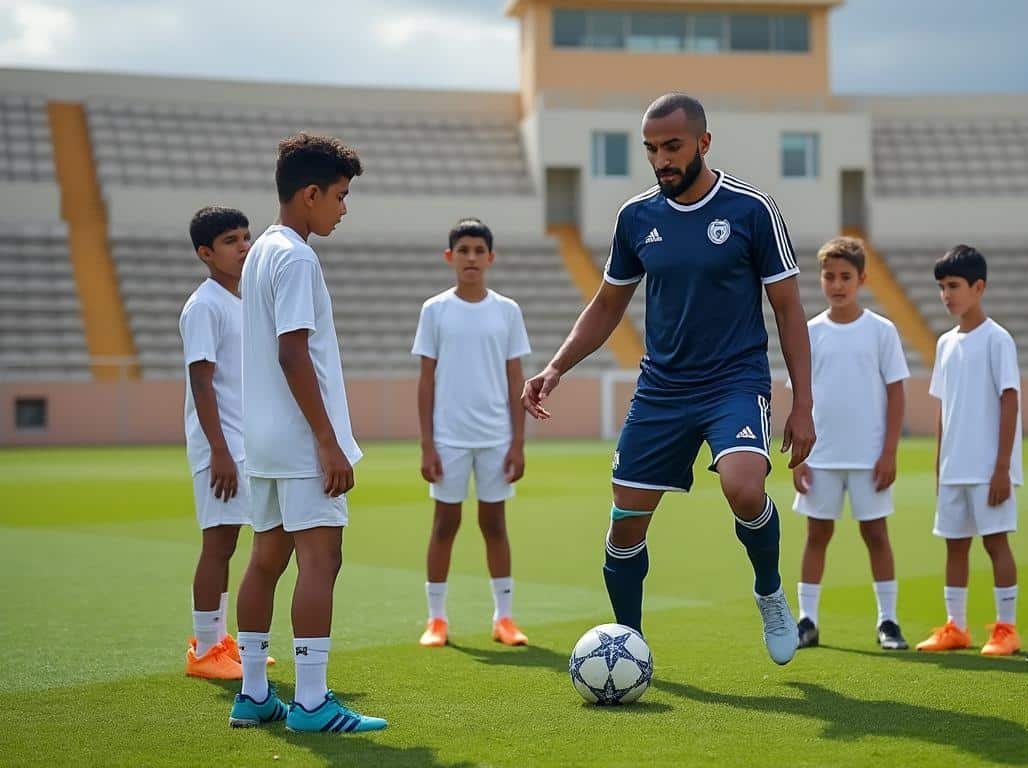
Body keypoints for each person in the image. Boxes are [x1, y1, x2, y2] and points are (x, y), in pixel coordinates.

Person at [522, 92, 815, 665]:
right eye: (651, 149)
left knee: (744, 486)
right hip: (662, 388)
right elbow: (607, 306)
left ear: (704, 143)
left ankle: (770, 592)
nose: (661, 160)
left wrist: (803, 402)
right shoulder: (636, 218)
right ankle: (626, 646)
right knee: (626, 519)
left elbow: (787, 308)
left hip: (736, 380)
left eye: (673, 147)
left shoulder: (753, 210)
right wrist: (556, 367)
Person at [229, 133, 386, 732]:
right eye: (340, 196)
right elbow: (293, 353)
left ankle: (253, 693)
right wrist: (328, 441)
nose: (344, 208)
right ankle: (313, 705)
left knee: (266, 559)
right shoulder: (296, 256)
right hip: (299, 442)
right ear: (310, 193)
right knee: (321, 560)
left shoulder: (261, 252)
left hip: (263, 441)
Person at [414, 218, 531, 649]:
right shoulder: (435, 310)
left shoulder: (507, 310)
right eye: (462, 250)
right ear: (450, 257)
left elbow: (515, 377)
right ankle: (437, 619)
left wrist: (518, 442)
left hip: (496, 437)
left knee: (494, 524)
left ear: (491, 258)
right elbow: (426, 380)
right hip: (449, 438)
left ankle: (504, 618)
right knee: (445, 523)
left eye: (479, 251)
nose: (471, 258)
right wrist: (427, 444)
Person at [792, 236, 909, 651]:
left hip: (869, 457)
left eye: (845, 276)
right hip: (820, 456)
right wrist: (798, 457)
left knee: (876, 534)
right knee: (816, 535)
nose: (837, 284)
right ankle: (806, 620)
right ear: (820, 280)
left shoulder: (881, 330)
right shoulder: (808, 332)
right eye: (829, 276)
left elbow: (896, 393)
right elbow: (799, 397)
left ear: (862, 278)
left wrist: (889, 451)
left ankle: (889, 621)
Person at [916, 245, 1023, 657]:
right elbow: (945, 408)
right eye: (942, 287)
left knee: (996, 544)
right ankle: (956, 627)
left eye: (954, 286)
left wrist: (1001, 467)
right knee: (954, 545)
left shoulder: (998, 340)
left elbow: (1010, 401)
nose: (947, 295)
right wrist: (938, 467)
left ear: (979, 287)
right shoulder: (945, 344)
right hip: (954, 467)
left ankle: (1006, 629)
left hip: (987, 468)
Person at [181, 205, 251, 680]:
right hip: (220, 449)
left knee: (232, 543)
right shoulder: (204, 304)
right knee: (218, 545)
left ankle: (220, 642)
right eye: (230, 241)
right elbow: (201, 383)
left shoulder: (237, 302)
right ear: (206, 253)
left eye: (246, 237)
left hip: (243, 443)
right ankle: (205, 651)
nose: (243, 247)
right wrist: (220, 451)